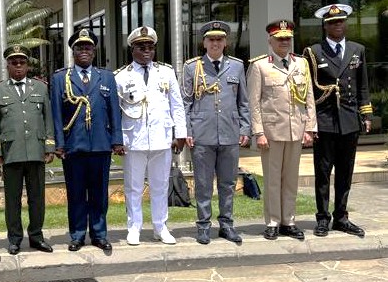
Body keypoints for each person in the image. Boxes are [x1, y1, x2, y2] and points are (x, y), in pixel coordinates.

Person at [50, 29, 123, 254]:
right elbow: (56, 114)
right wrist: (59, 144)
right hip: (74, 146)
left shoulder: (107, 77)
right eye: (79, 47)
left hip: (101, 145)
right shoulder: (60, 78)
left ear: (94, 51)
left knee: (99, 193)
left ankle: (99, 234)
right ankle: (78, 235)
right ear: (73, 52)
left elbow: (114, 111)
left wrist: (117, 140)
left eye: (88, 47)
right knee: (76, 194)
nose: (84, 51)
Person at [304, 3, 372, 238]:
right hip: (324, 120)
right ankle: (323, 218)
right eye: (332, 22)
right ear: (325, 26)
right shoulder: (314, 52)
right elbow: (309, 90)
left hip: (349, 119)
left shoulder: (357, 49)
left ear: (345, 23)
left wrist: (366, 114)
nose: (337, 25)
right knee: (323, 173)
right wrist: (309, 122)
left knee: (345, 172)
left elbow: (362, 84)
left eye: (341, 21)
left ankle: (341, 217)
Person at [114, 26, 187, 246]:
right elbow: (115, 112)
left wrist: (180, 134)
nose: (147, 51)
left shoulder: (166, 72)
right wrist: (117, 140)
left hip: (161, 138)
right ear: (132, 49)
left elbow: (177, 105)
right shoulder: (121, 76)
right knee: (133, 187)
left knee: (160, 185)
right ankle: (134, 227)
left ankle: (160, 226)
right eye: (141, 47)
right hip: (133, 140)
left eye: (150, 47)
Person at [181, 21, 251, 245]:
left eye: (219, 39)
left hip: (230, 132)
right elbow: (185, 103)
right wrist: (186, 130)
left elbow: (243, 101)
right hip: (202, 133)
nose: (215, 43)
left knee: (228, 182)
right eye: (211, 39)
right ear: (204, 43)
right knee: (203, 183)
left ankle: (227, 224)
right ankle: (203, 225)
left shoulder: (237, 66)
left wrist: (245, 128)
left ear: (225, 42)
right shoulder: (192, 67)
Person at [247, 19, 317, 241]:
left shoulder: (302, 64)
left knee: (291, 179)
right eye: (279, 39)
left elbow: (309, 98)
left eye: (287, 38)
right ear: (270, 40)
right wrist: (258, 132)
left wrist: (310, 128)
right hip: (271, 133)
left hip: (296, 130)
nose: (284, 42)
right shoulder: (260, 66)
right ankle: (273, 222)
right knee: (272, 179)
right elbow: (254, 103)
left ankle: (289, 221)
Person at [0, 45, 55, 254]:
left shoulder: (40, 87)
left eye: (22, 62)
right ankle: (15, 239)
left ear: (27, 65)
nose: (18, 66)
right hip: (11, 152)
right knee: (12, 199)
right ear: (7, 65)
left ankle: (36, 236)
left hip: (36, 150)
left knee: (37, 198)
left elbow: (48, 118)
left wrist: (49, 146)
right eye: (13, 62)